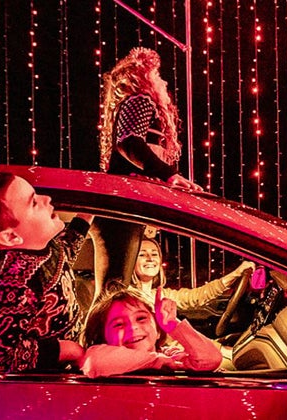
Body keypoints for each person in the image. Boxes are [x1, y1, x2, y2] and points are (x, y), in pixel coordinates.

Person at [0, 171, 93, 375]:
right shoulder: (5, 285)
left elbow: (63, 253)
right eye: (34, 203)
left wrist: (85, 217)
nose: (47, 199)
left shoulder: (39, 244)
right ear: (11, 237)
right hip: (50, 383)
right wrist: (68, 350)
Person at [92, 46, 202, 301]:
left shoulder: (136, 104)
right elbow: (129, 141)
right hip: (120, 208)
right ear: (144, 77)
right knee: (113, 291)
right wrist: (168, 175)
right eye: (157, 75)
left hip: (123, 207)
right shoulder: (141, 100)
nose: (163, 82)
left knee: (114, 289)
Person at [80, 287, 222, 378]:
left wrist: (172, 324)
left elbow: (211, 359)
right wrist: (158, 360)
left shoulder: (170, 354)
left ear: (158, 330)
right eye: (118, 324)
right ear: (103, 337)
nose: (132, 327)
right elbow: (95, 361)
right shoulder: (102, 356)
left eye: (141, 318)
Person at [132, 237, 255, 311]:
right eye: (142, 254)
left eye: (154, 254)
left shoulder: (160, 295)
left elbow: (196, 296)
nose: (150, 259)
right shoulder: (129, 298)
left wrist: (235, 274)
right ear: (131, 261)